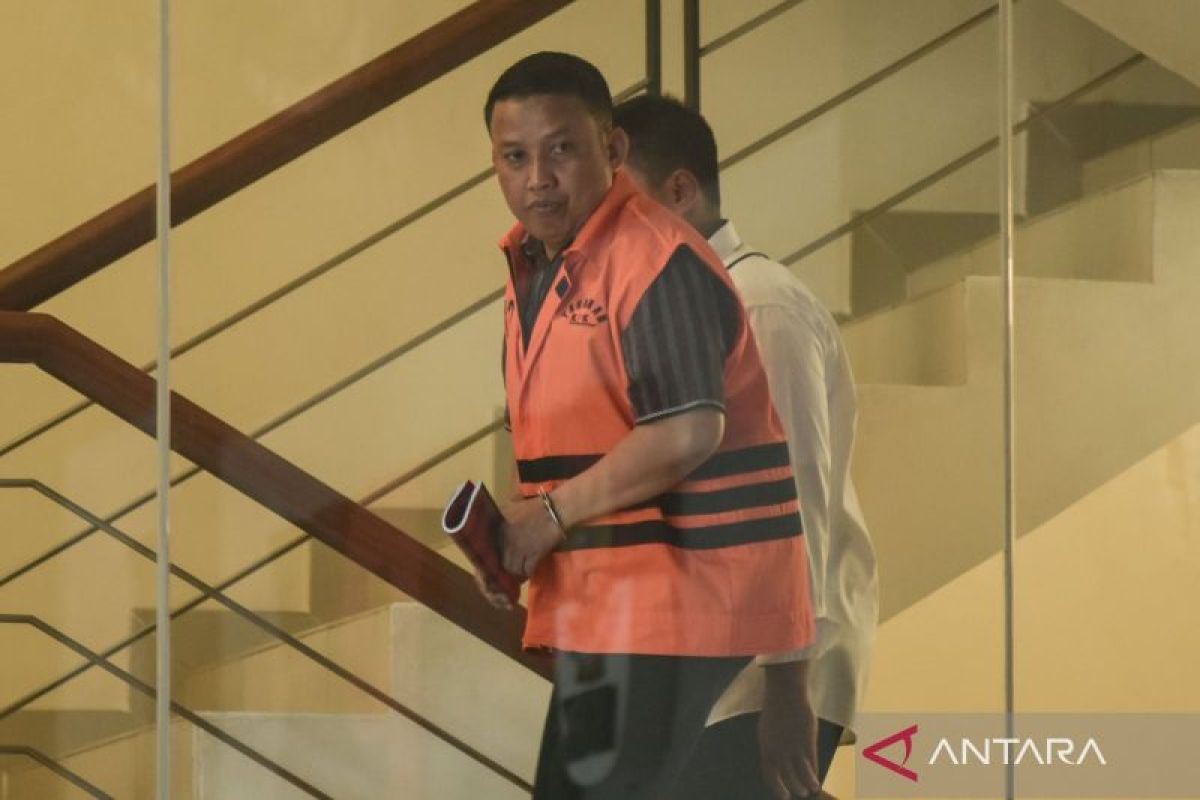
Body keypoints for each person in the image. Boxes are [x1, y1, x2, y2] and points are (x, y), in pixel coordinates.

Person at [479, 53, 821, 799]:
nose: (538, 178)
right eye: (515, 157)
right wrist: (527, 535)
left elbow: (687, 430)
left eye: (562, 150)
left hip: (675, 598)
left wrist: (549, 518)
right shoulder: (537, 265)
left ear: (612, 149)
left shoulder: (653, 258)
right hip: (613, 599)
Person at [614, 94, 879, 795]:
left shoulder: (759, 305)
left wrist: (787, 687)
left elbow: (794, 493)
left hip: (760, 679)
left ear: (680, 191)